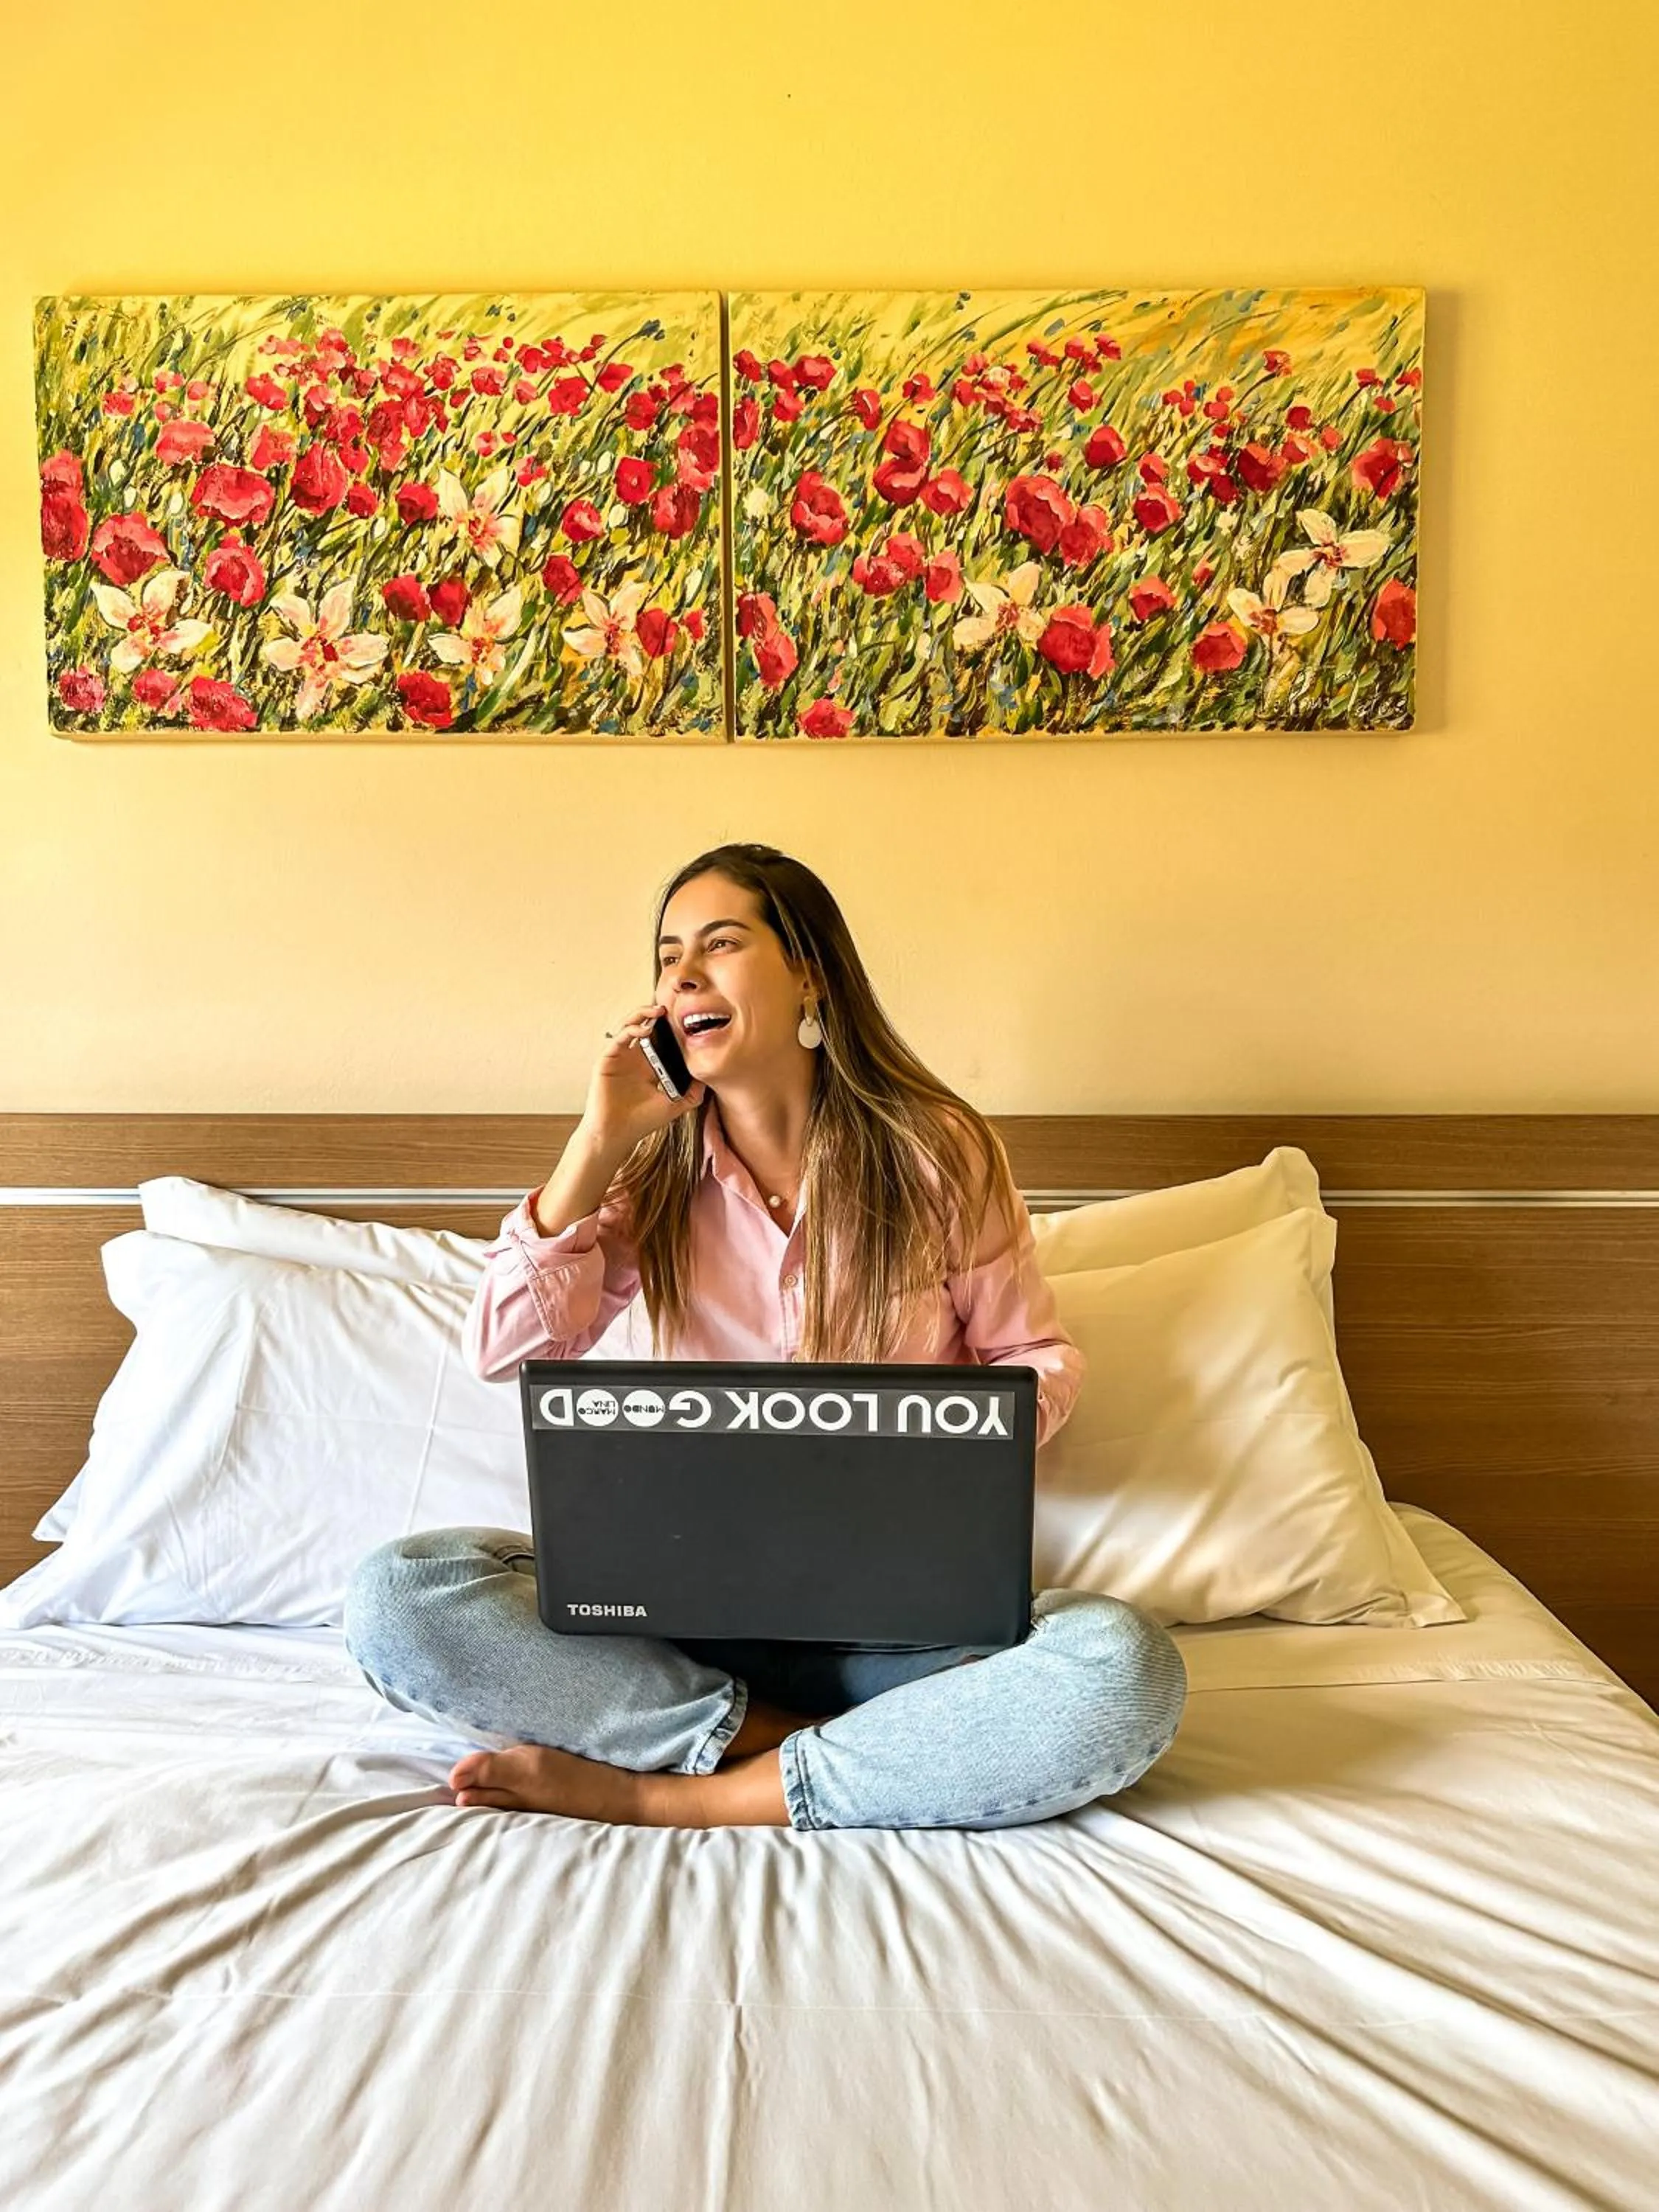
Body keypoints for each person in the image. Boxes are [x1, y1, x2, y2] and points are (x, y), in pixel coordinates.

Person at [343, 842, 1186, 1832]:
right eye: (667, 958)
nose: (682, 977)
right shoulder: (647, 1175)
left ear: (808, 976)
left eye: (720, 944)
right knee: (401, 1596)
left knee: (1124, 1669)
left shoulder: (935, 1152)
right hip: (684, 1631)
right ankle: (827, 1746)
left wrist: (941, 1441)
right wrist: (598, 1140)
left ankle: (668, 1792)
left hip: (903, 1632)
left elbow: (1033, 1359)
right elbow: (507, 1351)